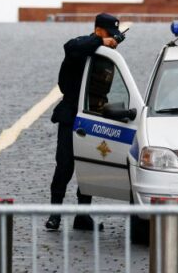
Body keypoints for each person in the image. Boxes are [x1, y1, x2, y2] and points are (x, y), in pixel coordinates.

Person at [45, 13, 123, 231]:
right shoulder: (82, 48)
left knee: (89, 168)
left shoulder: (107, 55)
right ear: (99, 31)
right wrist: (100, 42)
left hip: (95, 116)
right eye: (110, 35)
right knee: (65, 165)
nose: (113, 40)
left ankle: (83, 215)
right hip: (72, 116)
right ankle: (55, 215)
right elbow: (70, 46)